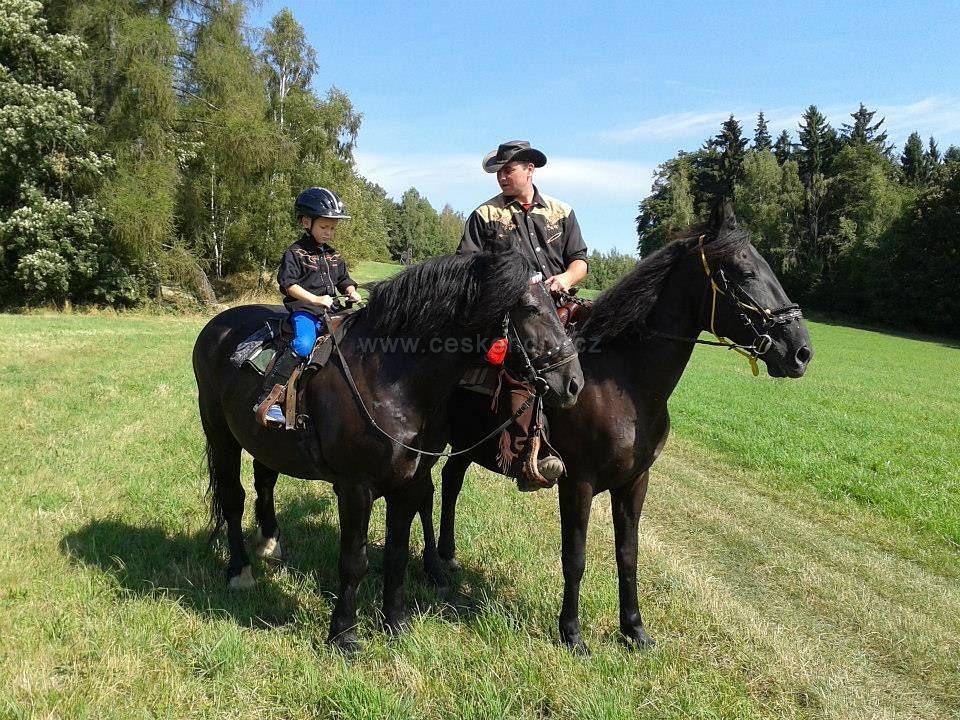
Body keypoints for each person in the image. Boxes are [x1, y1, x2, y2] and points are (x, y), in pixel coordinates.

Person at [457, 141, 589, 485]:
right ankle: (526, 457)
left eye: (508, 170)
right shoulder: (485, 215)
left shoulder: (562, 211)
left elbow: (580, 261)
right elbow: (466, 268)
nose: (502, 177)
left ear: (530, 169)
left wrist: (565, 278)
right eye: (498, 172)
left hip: (560, 309)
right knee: (521, 371)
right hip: (513, 317)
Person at [254, 187, 362, 427]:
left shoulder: (334, 255)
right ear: (306, 222)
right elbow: (288, 285)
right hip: (305, 312)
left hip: (332, 312)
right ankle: (270, 398)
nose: (328, 232)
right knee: (303, 344)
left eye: (332, 228)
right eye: (324, 227)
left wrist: (351, 291)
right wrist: (315, 299)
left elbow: (344, 279)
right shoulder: (295, 253)